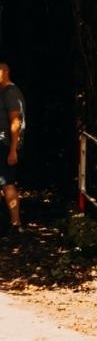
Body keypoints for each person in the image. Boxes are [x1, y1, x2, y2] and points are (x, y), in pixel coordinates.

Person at [0, 62, 22, 235]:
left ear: (5, 72)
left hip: (5, 145)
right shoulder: (4, 93)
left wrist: (13, 148)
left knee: (7, 184)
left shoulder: (10, 92)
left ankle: (15, 224)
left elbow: (16, 121)